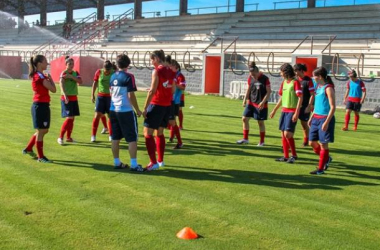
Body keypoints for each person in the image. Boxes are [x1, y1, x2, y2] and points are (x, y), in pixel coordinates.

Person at [109, 54, 144, 171]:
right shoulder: (129, 76)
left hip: (113, 110)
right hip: (125, 111)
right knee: (132, 138)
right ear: (128, 64)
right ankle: (134, 164)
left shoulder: (112, 76)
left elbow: (111, 93)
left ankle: (116, 162)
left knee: (115, 137)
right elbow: (131, 94)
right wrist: (137, 110)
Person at [142, 50, 175, 171]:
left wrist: (145, 108)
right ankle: (160, 161)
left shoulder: (157, 71)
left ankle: (153, 162)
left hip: (156, 105)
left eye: (151, 59)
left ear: (156, 58)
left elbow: (152, 91)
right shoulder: (171, 71)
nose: (151, 62)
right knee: (159, 133)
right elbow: (172, 90)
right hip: (167, 106)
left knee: (147, 134)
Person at [23, 55, 56, 163]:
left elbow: (53, 89)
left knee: (43, 130)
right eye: (45, 61)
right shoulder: (39, 76)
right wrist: (51, 80)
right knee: (41, 131)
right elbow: (53, 89)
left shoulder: (41, 75)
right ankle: (40, 157)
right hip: (39, 106)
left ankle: (28, 148)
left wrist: (50, 79)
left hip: (43, 105)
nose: (47, 63)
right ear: (39, 64)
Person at [270, 63, 303, 163]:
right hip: (284, 111)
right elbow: (281, 98)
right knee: (283, 134)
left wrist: (297, 113)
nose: (280, 73)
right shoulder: (284, 82)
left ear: (286, 72)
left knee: (288, 134)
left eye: (281, 71)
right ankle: (285, 156)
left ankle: (294, 155)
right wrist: (274, 110)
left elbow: (300, 97)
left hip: (292, 111)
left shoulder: (295, 82)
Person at [308, 67, 335, 175]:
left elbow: (333, 107)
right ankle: (326, 158)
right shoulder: (318, 87)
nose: (313, 78)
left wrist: (326, 122)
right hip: (315, 118)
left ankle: (320, 169)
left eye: (314, 76)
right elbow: (317, 105)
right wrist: (311, 117)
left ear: (319, 77)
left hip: (324, 118)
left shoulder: (328, 88)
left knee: (323, 144)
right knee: (312, 143)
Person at [237, 62, 271, 146]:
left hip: (260, 104)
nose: (253, 76)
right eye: (251, 75)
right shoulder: (250, 77)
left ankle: (262, 141)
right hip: (251, 102)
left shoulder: (265, 79)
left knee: (260, 122)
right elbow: (248, 89)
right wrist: (245, 99)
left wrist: (263, 102)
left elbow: (268, 92)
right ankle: (245, 139)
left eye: (254, 75)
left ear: (257, 72)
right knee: (244, 119)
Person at [57, 56, 83, 145]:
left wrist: (71, 77)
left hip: (74, 97)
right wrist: (64, 94)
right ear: (66, 64)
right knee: (69, 118)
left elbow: (80, 81)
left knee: (72, 118)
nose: (71, 65)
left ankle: (68, 137)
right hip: (66, 98)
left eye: (72, 64)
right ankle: (60, 137)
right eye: (69, 64)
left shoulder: (75, 73)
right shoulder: (63, 73)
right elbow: (61, 83)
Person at [91, 60, 115, 142]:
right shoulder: (98, 72)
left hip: (110, 97)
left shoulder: (114, 73)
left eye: (108, 70)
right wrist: (92, 94)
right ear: (103, 68)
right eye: (106, 70)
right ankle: (93, 135)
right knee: (97, 115)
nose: (107, 71)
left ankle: (111, 135)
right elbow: (95, 83)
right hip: (100, 97)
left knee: (110, 116)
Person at [294, 63, 315, 147]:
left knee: (304, 124)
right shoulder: (295, 80)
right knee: (291, 123)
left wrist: (309, 106)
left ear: (301, 70)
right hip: (295, 106)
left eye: (296, 71)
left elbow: (312, 94)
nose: (295, 72)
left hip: (305, 106)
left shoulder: (308, 80)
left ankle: (306, 140)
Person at [168, 59, 186, 149]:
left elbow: (183, 87)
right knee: (171, 120)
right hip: (170, 100)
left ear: (176, 67)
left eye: (172, 66)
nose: (170, 67)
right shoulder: (171, 74)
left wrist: (174, 84)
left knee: (172, 119)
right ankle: (172, 137)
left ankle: (176, 138)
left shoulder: (180, 76)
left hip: (176, 100)